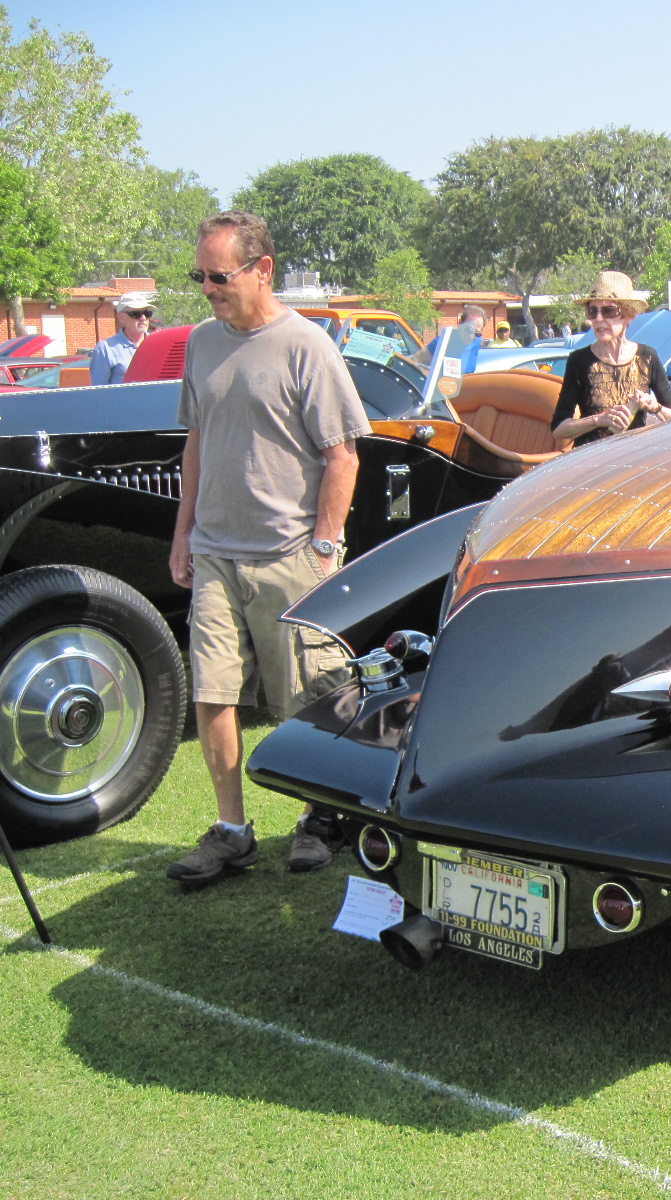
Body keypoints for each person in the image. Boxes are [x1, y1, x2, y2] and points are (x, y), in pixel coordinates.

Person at [165, 211, 372, 887]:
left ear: (262, 270)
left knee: (307, 698)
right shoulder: (201, 344)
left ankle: (319, 818)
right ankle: (232, 831)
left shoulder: (306, 345)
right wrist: (183, 532)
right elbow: (196, 443)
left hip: (290, 555)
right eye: (200, 275)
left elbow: (342, 457)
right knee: (214, 693)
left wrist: (322, 545)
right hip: (218, 553)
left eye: (219, 276)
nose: (207, 288)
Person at [550, 271, 671, 447]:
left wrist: (654, 406)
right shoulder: (579, 361)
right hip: (591, 460)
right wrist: (598, 420)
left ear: (629, 315)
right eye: (592, 311)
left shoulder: (647, 357)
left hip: (633, 458)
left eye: (608, 311)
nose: (598, 319)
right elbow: (558, 429)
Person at [88, 292, 156, 384]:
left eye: (147, 313)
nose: (143, 318)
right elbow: (98, 393)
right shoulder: (106, 349)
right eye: (136, 314)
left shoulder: (157, 344)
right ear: (121, 317)